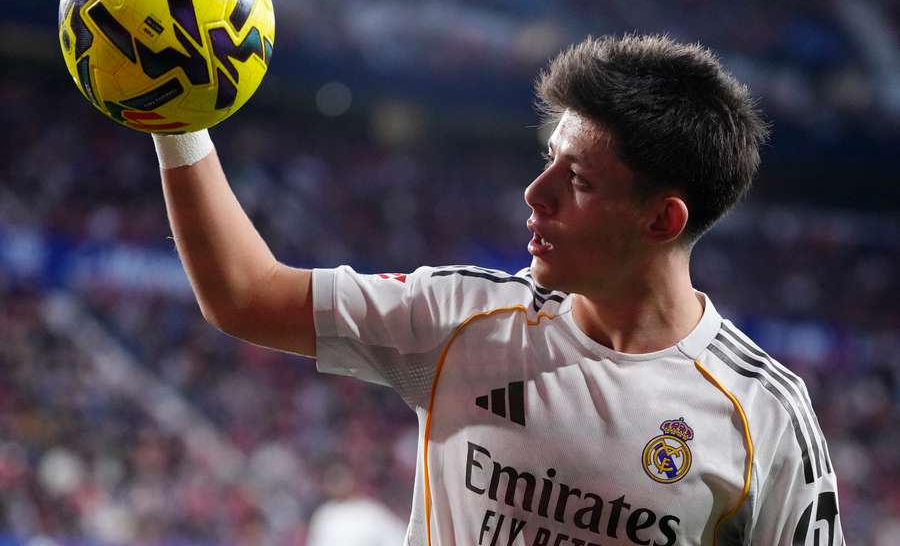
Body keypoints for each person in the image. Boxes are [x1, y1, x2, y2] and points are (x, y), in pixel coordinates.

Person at [152, 34, 843, 545]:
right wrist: (177, 120)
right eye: (549, 163)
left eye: (576, 180)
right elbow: (244, 294)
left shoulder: (765, 413)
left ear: (662, 218)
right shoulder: (464, 317)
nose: (534, 194)